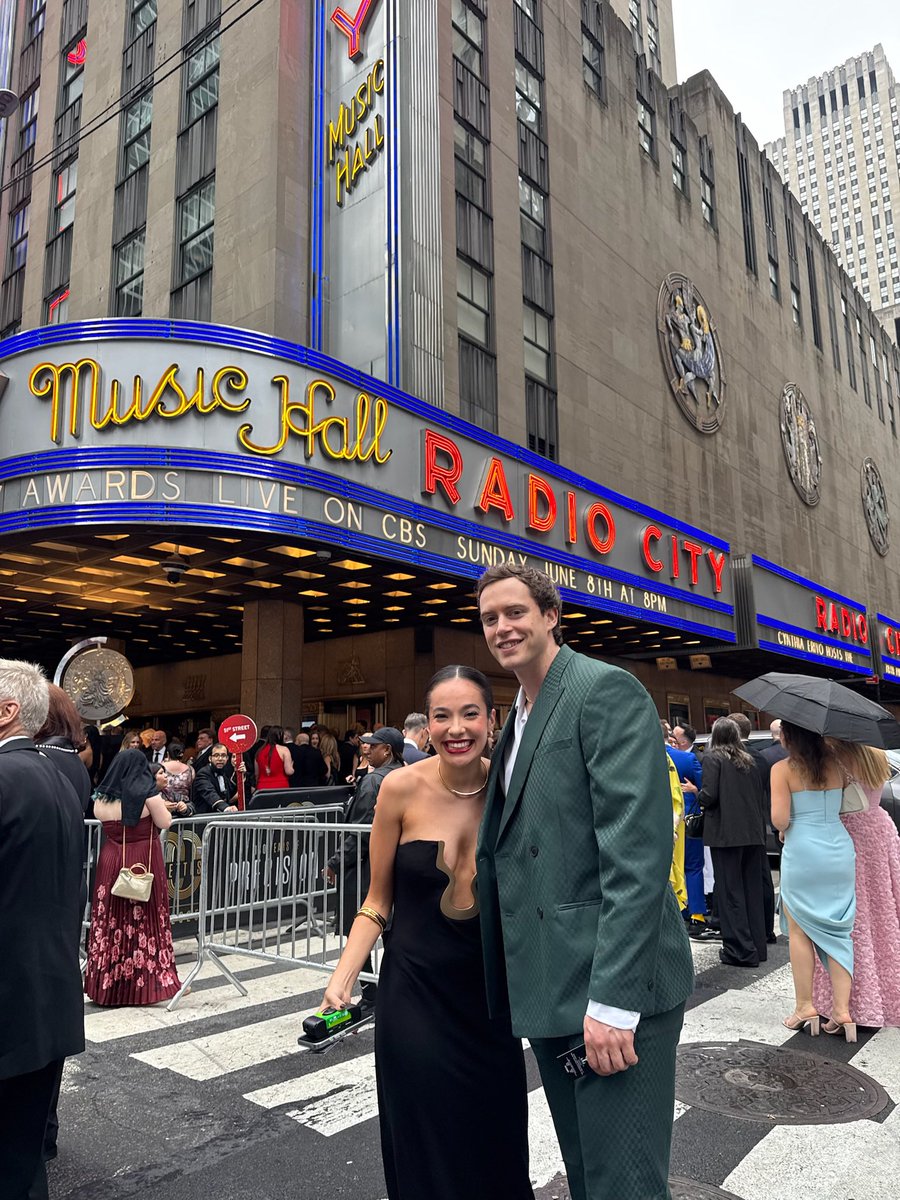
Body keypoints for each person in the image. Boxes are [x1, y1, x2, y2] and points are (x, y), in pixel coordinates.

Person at [475, 564, 693, 1200]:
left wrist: (615, 1003)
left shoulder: (604, 691)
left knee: (624, 1184)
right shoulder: (514, 716)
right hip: (549, 986)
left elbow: (637, 856)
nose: (502, 627)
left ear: (550, 616)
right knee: (589, 1177)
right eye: (489, 618)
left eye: (515, 612)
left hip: (614, 995)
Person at [322, 668, 533, 1200]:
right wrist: (343, 975)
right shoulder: (398, 789)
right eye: (442, 715)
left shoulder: (515, 794)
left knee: (497, 1142)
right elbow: (377, 900)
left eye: (469, 714)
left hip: (491, 1004)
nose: (455, 728)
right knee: (423, 1141)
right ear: (428, 723)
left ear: (492, 721)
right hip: (412, 997)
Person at [0, 661, 85, 1200]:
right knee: (23, 1162)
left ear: (7, 712)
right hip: (46, 993)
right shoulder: (58, 775)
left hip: (8, 1001)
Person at [771, 721, 856, 1040]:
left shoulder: (783, 769)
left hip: (804, 849)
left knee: (799, 930)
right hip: (839, 848)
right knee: (839, 929)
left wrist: (784, 826)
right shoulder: (839, 764)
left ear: (790, 736)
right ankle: (843, 1011)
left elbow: (780, 819)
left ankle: (805, 1006)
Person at [811, 743, 900, 1029]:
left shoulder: (835, 756)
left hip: (848, 833)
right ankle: (887, 994)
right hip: (880, 829)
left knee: (849, 920)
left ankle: (852, 1001)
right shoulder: (877, 755)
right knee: (884, 915)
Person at [84, 750, 181, 1006]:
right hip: (142, 858)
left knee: (110, 920)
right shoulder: (148, 795)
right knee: (146, 918)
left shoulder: (101, 799)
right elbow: (166, 821)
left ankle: (108, 985)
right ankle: (150, 983)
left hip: (111, 858)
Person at [325, 728, 405, 1007]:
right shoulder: (403, 774)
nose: (366, 749)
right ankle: (391, 989)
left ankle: (371, 993)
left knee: (359, 929)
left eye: (373, 746)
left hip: (365, 866)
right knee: (391, 931)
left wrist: (336, 861)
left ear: (388, 750)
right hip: (393, 863)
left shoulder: (374, 781)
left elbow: (359, 831)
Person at [696, 718, 768, 968]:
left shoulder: (713, 758)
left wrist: (697, 794)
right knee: (751, 891)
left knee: (730, 891)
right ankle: (757, 947)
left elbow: (710, 796)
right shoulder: (749, 760)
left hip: (725, 834)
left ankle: (739, 949)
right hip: (752, 833)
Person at [668, 724, 711, 937]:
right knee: (693, 866)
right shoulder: (685, 759)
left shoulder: (638, 759)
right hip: (686, 819)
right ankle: (696, 915)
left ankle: (676, 910)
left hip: (659, 820)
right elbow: (704, 786)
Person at [191, 744, 239, 814]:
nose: (220, 759)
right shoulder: (203, 774)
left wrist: (239, 773)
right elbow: (210, 794)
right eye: (216, 755)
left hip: (219, 819)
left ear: (227, 758)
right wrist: (225, 807)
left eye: (223, 755)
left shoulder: (223, 772)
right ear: (210, 758)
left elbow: (230, 793)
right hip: (204, 820)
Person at [252, 725, 294, 793]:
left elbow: (257, 774)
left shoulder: (259, 751)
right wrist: (292, 766)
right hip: (280, 787)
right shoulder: (284, 750)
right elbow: (288, 771)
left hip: (262, 787)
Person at [160, 740, 194, 816]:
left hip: (166, 800)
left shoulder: (160, 767)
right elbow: (191, 786)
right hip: (183, 805)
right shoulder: (190, 769)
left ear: (168, 754)